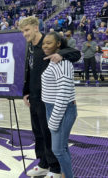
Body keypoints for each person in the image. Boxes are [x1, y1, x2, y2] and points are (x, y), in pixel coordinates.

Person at [19, 16, 81, 178]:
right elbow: (30, 71)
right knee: (38, 132)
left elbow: (75, 53)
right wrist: (26, 92)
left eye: (26, 30)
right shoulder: (30, 47)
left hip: (48, 99)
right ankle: (43, 163)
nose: (24, 34)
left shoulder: (49, 45)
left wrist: (62, 54)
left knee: (48, 132)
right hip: (34, 97)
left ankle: (54, 167)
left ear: (35, 27)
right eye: (22, 31)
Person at [41, 31, 77, 178]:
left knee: (58, 150)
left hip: (62, 110)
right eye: (44, 43)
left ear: (58, 44)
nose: (45, 46)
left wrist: (54, 120)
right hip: (53, 108)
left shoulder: (62, 63)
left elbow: (64, 93)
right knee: (62, 148)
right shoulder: (53, 60)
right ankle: (65, 174)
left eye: (49, 43)